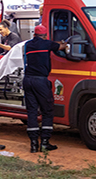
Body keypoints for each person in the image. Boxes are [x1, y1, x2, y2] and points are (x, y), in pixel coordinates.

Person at [23, 24, 67, 153]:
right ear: (45, 35)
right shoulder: (47, 44)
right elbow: (61, 47)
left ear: (34, 35)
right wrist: (65, 43)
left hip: (28, 79)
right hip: (40, 81)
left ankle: (33, 144)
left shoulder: (28, 45)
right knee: (47, 111)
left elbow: (51, 44)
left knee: (31, 112)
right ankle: (45, 142)